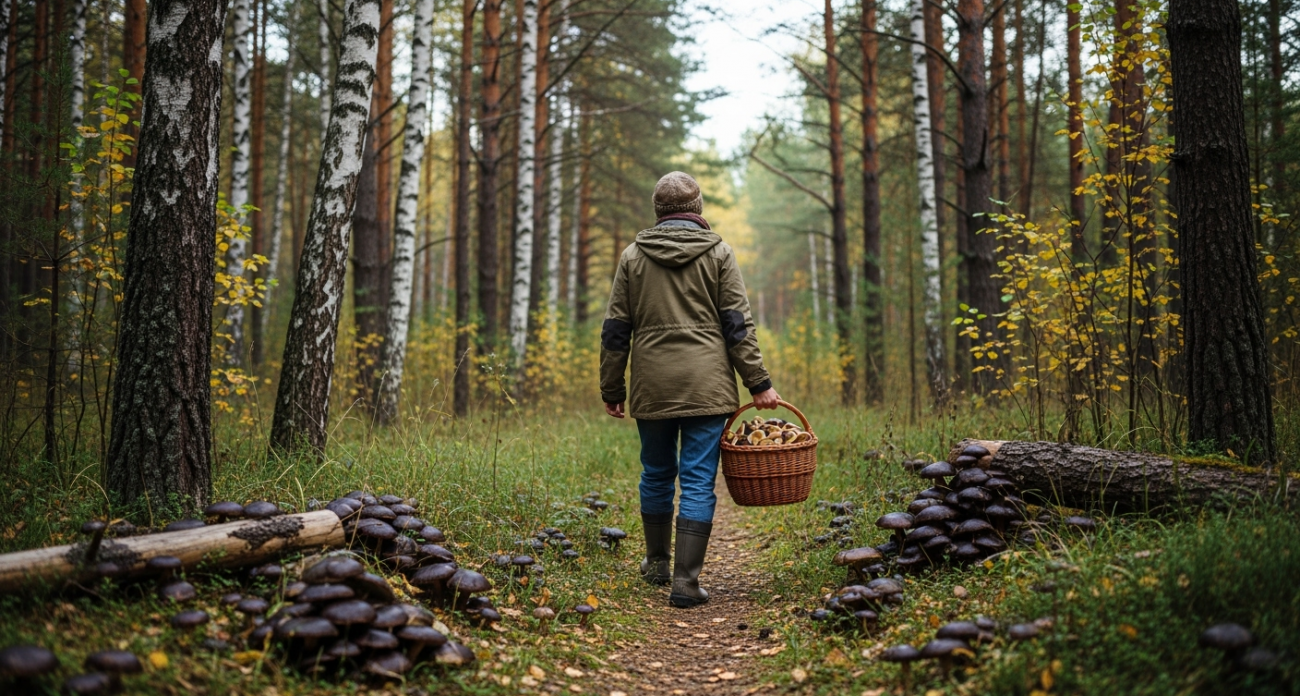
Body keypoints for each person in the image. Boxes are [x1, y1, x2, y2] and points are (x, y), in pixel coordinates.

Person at [599, 171, 780, 609]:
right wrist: (758, 382)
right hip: (706, 385)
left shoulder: (632, 256)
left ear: (658, 210)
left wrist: (612, 387)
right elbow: (737, 325)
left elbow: (615, 329)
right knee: (698, 479)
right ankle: (686, 581)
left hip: (653, 385)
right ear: (696, 207)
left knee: (656, 472)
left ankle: (657, 564)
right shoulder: (719, 252)